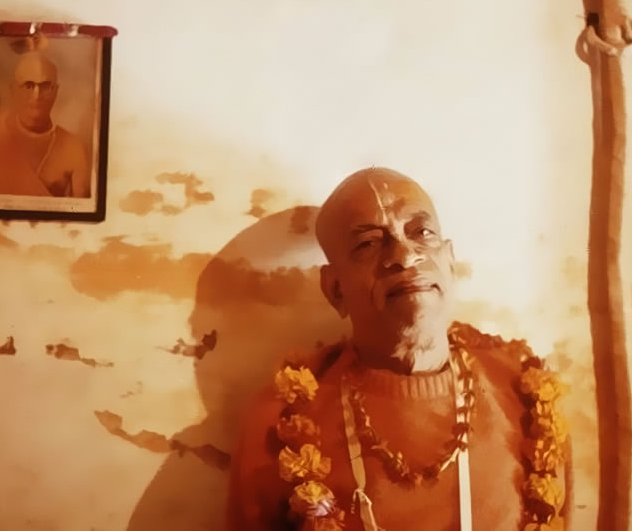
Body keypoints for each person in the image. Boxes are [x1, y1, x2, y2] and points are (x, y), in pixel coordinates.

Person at [226, 167, 572, 531]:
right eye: (369, 244)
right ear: (335, 290)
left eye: (420, 233)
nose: (405, 257)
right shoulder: (280, 421)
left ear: (449, 262)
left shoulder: (528, 399)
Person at [0, 46, 91, 198]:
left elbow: (81, 213)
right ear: (14, 90)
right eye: (29, 85)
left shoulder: (73, 147)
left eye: (45, 86)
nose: (37, 95)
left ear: (56, 91)